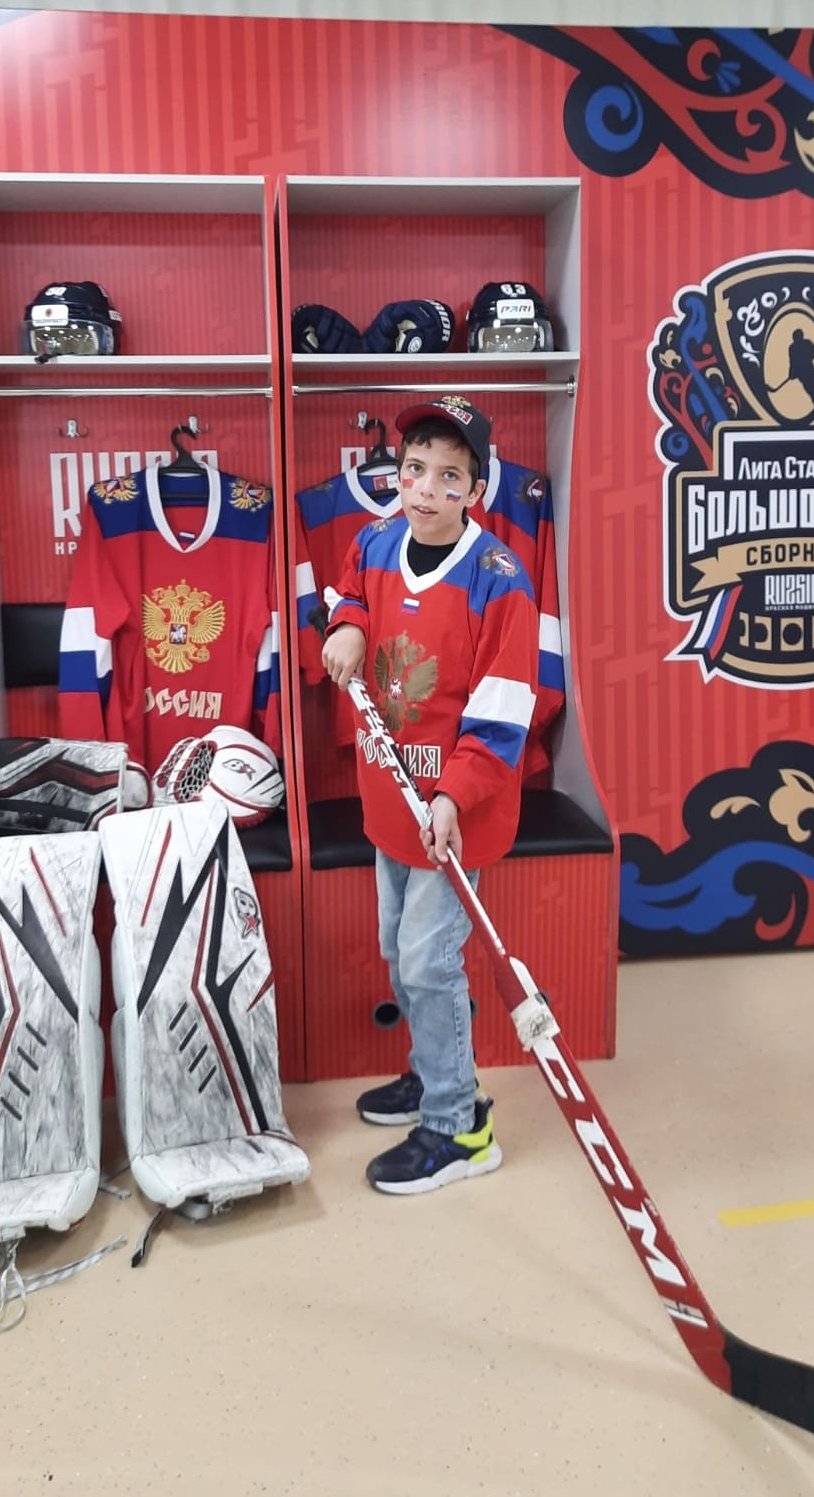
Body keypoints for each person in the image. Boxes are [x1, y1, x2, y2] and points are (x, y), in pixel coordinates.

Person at [321, 395, 539, 1195]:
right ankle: (432, 1069)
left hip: (453, 815)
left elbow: (502, 714)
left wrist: (453, 795)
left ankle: (459, 1125)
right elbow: (346, 591)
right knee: (397, 949)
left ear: (475, 491)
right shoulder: (377, 540)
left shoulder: (499, 579)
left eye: (449, 477)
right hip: (390, 801)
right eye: (414, 469)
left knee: (428, 959)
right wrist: (347, 623)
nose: (425, 489)